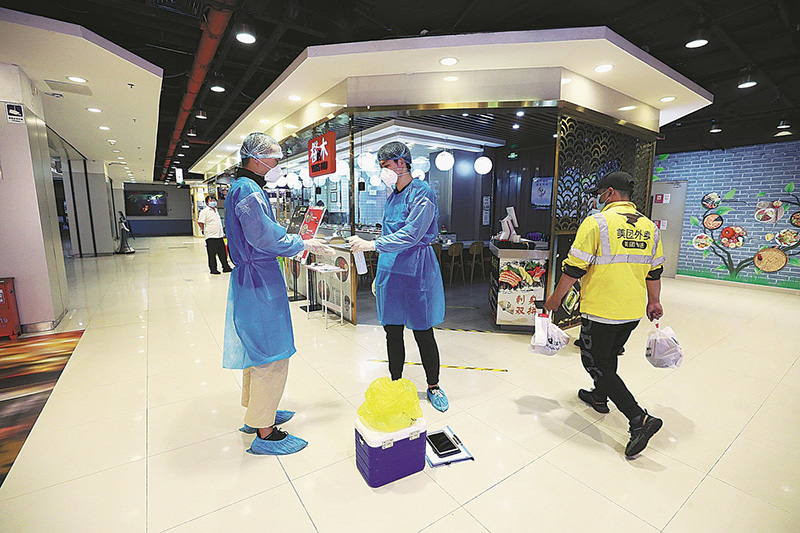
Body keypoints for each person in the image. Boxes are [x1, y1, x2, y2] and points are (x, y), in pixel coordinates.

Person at [223, 132, 333, 456]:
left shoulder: (245, 187)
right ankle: (265, 432)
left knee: (258, 353)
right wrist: (302, 243)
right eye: (274, 159)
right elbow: (264, 237)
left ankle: (258, 413)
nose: (277, 165)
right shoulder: (248, 191)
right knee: (272, 357)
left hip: (255, 278)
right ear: (256, 159)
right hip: (259, 280)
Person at [544, 171, 665, 458]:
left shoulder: (596, 222)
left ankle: (639, 419)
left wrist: (554, 300)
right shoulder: (650, 227)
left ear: (610, 193)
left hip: (601, 309)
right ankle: (599, 396)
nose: (598, 199)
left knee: (595, 362)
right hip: (632, 311)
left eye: (600, 193)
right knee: (608, 355)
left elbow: (574, 267)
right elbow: (655, 270)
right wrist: (654, 301)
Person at [348, 142, 449, 412]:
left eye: (386, 165)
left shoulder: (422, 193)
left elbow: (411, 234)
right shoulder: (392, 196)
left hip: (416, 270)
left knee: (422, 331)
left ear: (402, 163)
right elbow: (391, 234)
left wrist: (372, 245)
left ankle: (434, 385)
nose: (384, 172)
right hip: (390, 270)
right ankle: (395, 383)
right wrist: (379, 276)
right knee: (392, 331)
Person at [197, 195, 231, 274]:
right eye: (211, 200)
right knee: (212, 254)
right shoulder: (205, 211)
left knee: (222, 253)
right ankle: (213, 269)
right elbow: (200, 222)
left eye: (214, 200)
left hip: (219, 235)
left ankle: (225, 267)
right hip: (211, 236)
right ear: (207, 202)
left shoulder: (216, 210)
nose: (213, 202)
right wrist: (205, 231)